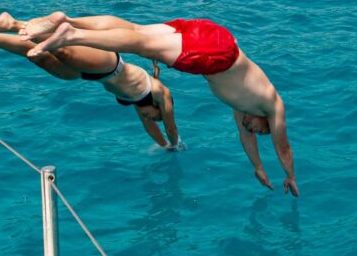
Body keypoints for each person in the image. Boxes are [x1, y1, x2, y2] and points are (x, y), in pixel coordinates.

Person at [21, 12, 299, 196]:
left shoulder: (244, 108)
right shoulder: (272, 105)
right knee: (140, 44)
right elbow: (283, 145)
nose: (258, 132)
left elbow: (245, 137)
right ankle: (72, 35)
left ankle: (66, 20)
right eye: (263, 131)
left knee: (136, 30)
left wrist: (258, 168)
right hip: (215, 55)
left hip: (214, 37)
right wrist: (290, 176)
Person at [0, 12, 181, 149]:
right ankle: (13, 24)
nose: (150, 118)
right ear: (157, 108)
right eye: (154, 117)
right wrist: (175, 144)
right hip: (109, 65)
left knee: (42, 59)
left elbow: (151, 129)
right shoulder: (159, 91)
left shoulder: (138, 105)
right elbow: (170, 126)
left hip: (88, 76)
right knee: (63, 49)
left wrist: (163, 147)